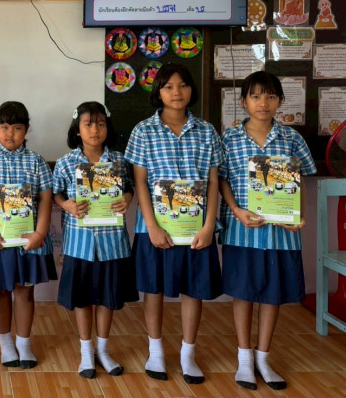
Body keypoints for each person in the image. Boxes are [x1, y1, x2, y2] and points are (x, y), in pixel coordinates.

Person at [124, 63, 223, 384]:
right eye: (168, 86)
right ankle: (155, 352)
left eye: (182, 85)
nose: (176, 92)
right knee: (153, 290)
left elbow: (213, 183)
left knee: (193, 291)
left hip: (196, 229)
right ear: (159, 92)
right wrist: (152, 226)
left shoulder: (207, 131)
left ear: (192, 89)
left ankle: (187, 354)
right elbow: (139, 182)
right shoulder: (143, 131)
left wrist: (209, 226)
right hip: (155, 228)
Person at [219, 72, 316, 390]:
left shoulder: (291, 139)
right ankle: (244, 360)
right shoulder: (229, 139)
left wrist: (299, 215)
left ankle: (263, 357)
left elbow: (300, 181)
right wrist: (235, 209)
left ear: (280, 101)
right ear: (244, 101)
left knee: (272, 295)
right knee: (243, 293)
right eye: (256, 96)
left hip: (280, 234)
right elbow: (221, 180)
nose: (263, 103)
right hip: (241, 231)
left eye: (271, 96)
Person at [53, 102, 138, 379]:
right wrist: (66, 205)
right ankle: (86, 352)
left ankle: (103, 349)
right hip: (79, 244)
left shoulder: (119, 161)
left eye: (101, 124)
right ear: (77, 130)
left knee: (107, 298)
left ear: (108, 128)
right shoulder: (66, 163)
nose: (95, 130)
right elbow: (56, 194)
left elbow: (129, 188)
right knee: (82, 299)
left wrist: (127, 199)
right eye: (88, 124)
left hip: (112, 244)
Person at [0, 101, 56, 370]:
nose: (10, 134)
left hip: (28, 241)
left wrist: (40, 233)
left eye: (17, 128)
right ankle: (6, 344)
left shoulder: (36, 161)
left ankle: (24, 344)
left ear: (26, 129)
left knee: (25, 292)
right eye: (4, 127)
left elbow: (46, 198)